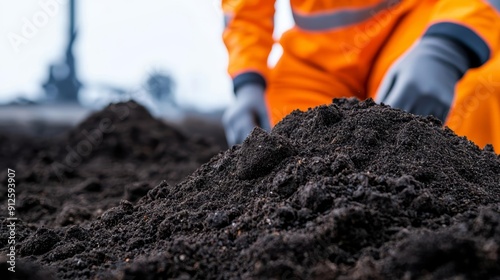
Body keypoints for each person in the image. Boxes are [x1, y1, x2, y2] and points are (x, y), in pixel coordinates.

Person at [221, 0, 500, 150]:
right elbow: (245, 11)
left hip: (419, 28)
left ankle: (470, 227)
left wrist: (448, 46)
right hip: (319, 57)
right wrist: (248, 82)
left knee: (471, 93)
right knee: (279, 135)